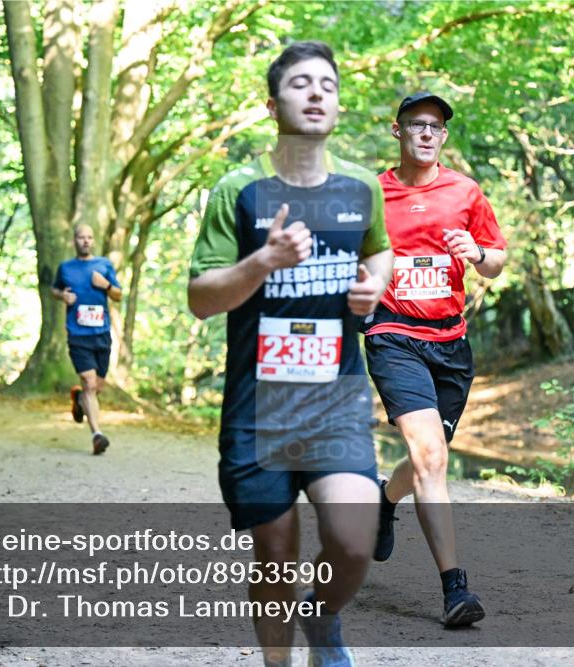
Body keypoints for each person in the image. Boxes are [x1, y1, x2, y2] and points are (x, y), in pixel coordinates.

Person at [188, 41, 393, 667]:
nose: (316, 93)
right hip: (259, 409)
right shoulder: (239, 190)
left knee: (354, 541)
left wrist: (374, 286)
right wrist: (263, 262)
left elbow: (379, 250)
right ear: (273, 104)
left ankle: (322, 617)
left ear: (338, 104)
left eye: (327, 85)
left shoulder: (361, 186)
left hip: (336, 402)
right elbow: (200, 298)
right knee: (275, 555)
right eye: (300, 83)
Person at [362, 92, 507, 628]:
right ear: (397, 130)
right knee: (430, 454)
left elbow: (496, 258)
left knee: (431, 456)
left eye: (436, 126)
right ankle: (455, 590)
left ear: (443, 136)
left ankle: (383, 501)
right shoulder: (373, 193)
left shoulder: (465, 191)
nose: (426, 133)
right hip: (393, 334)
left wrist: (477, 253)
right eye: (416, 124)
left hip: (450, 343)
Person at [52, 224, 122, 455]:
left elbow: (118, 295)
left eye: (89, 237)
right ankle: (97, 435)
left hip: (101, 334)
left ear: (94, 241)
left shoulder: (104, 265)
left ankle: (78, 399)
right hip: (78, 334)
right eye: (81, 237)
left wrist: (106, 285)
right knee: (89, 383)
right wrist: (63, 296)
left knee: (96, 387)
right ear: (74, 240)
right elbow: (55, 289)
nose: (85, 241)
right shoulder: (65, 268)